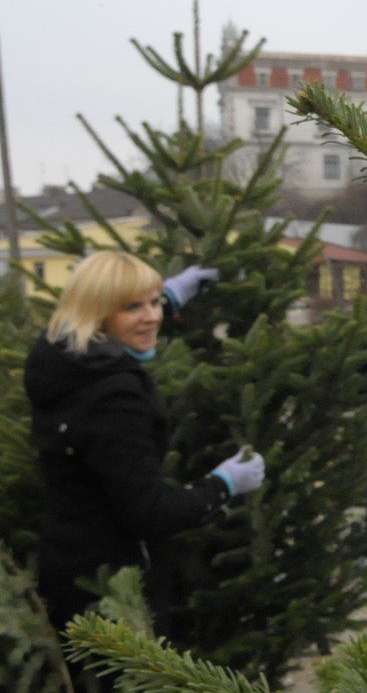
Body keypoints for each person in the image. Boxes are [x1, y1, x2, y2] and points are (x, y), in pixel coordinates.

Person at [26, 251, 264, 631]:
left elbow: (120, 328)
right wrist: (223, 485)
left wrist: (166, 297)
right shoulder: (114, 401)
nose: (152, 316)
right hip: (114, 593)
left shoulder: (61, 359)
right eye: (133, 307)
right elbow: (151, 512)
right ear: (99, 314)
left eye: (154, 303)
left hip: (68, 562)